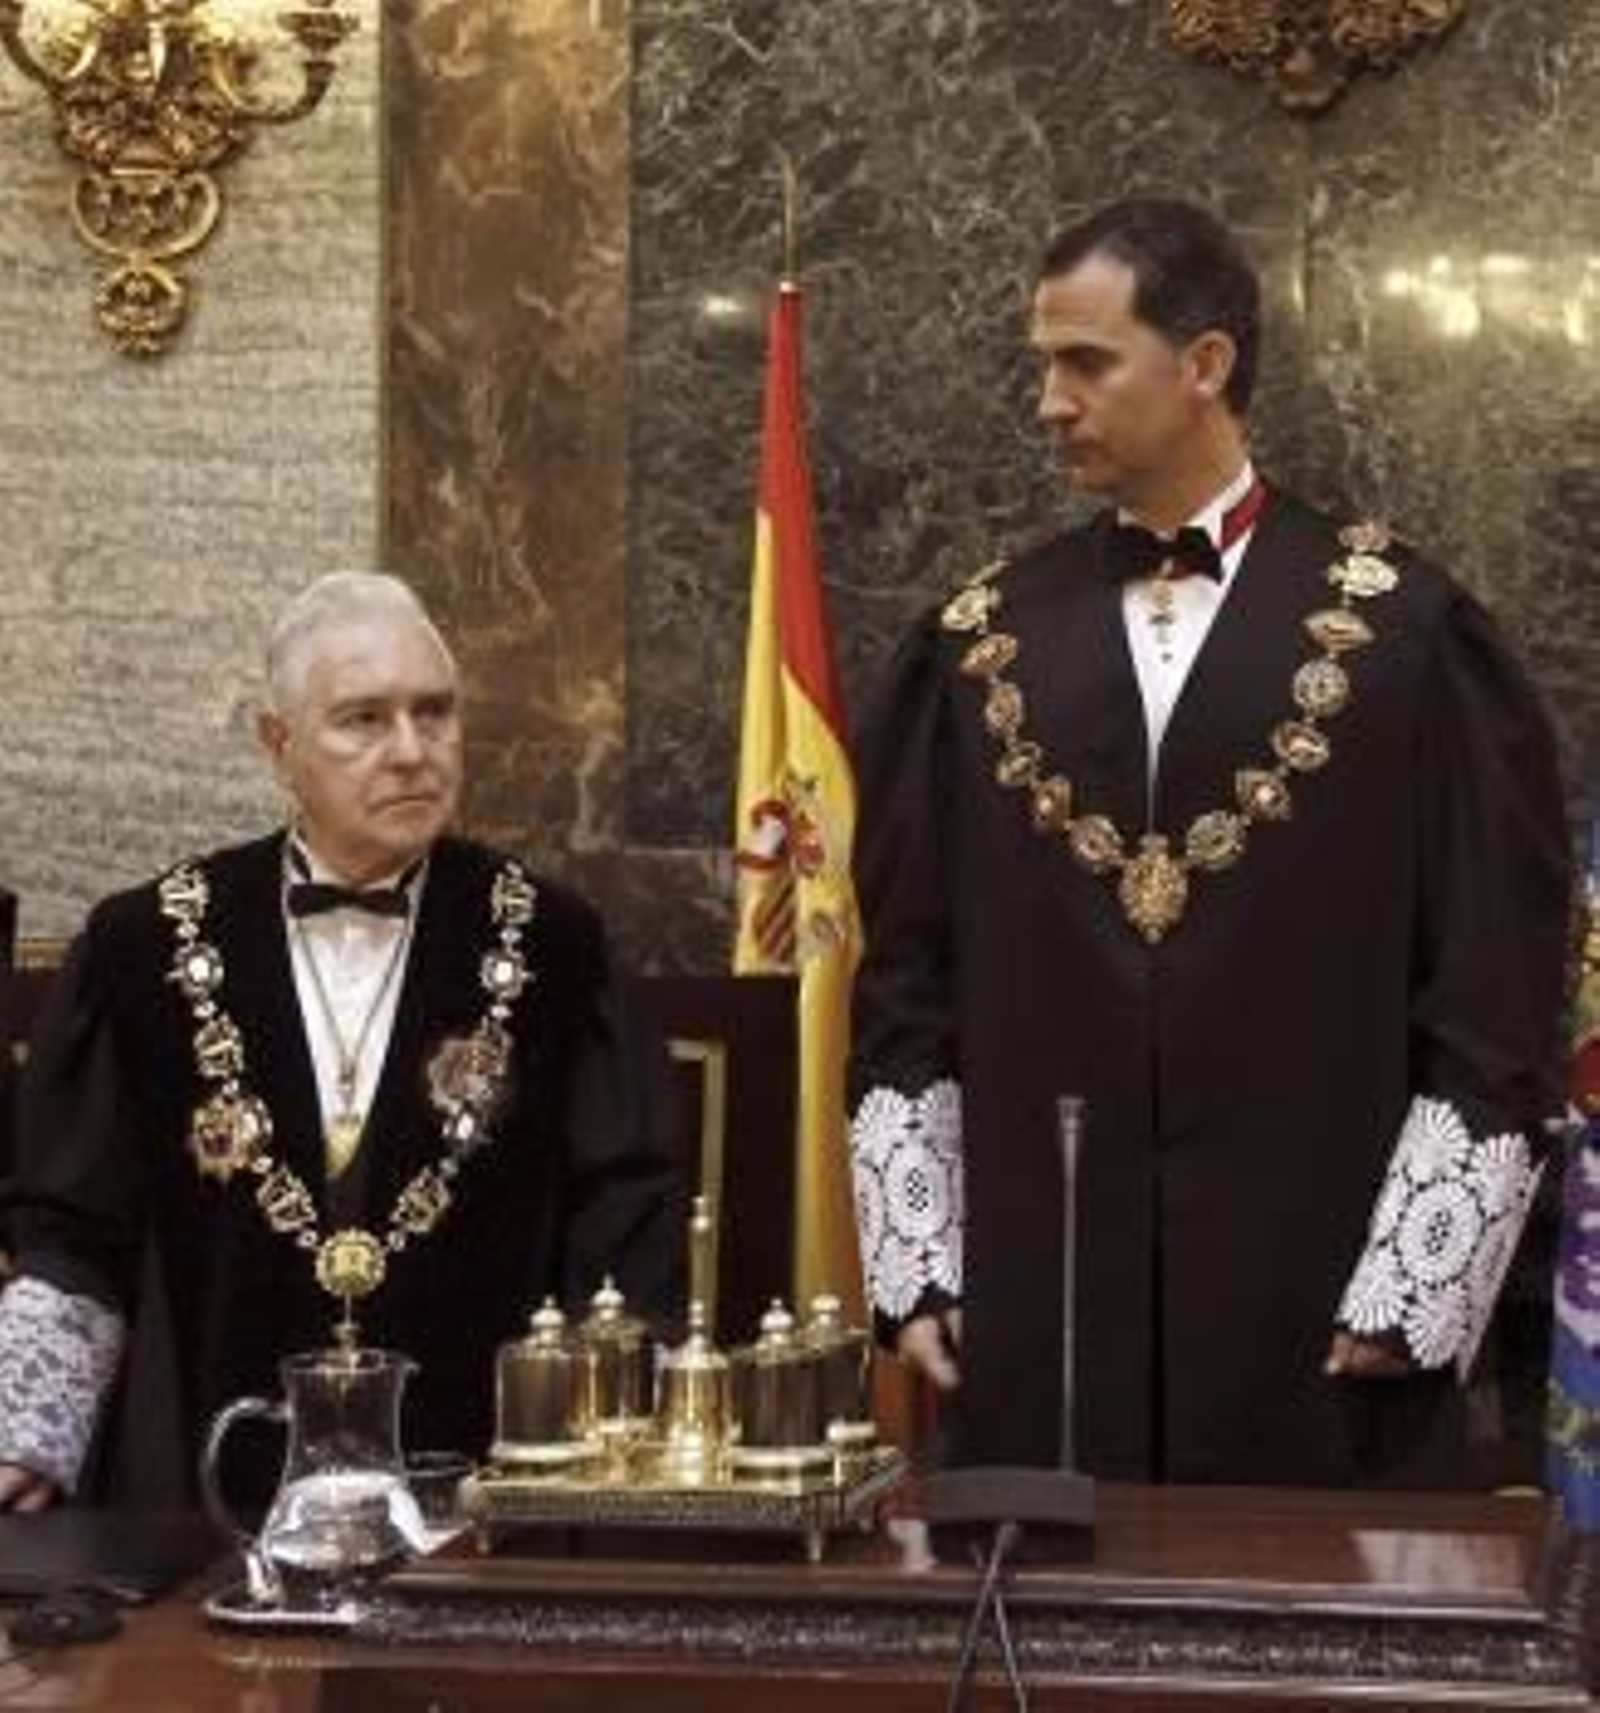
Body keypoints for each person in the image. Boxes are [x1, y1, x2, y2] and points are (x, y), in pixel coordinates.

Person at [848, 198, 1571, 1486]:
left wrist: (1416, 1284)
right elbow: (907, 985)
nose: (1049, 404)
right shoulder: (974, 646)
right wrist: (917, 1266)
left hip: (1327, 1319)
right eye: (1040, 366)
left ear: (1205, 365)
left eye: (1085, 361)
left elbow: (1495, 984)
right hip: (1040, 1319)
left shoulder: (1409, 636)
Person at [0, 572, 683, 1512]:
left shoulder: (555, 946)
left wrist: (602, 1482)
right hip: (207, 1507)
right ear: (278, 745)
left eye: (434, 713)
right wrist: (26, 1438)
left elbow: (626, 1237)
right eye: (364, 719)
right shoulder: (144, 946)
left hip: (486, 1515)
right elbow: (71, 1233)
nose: (411, 751)